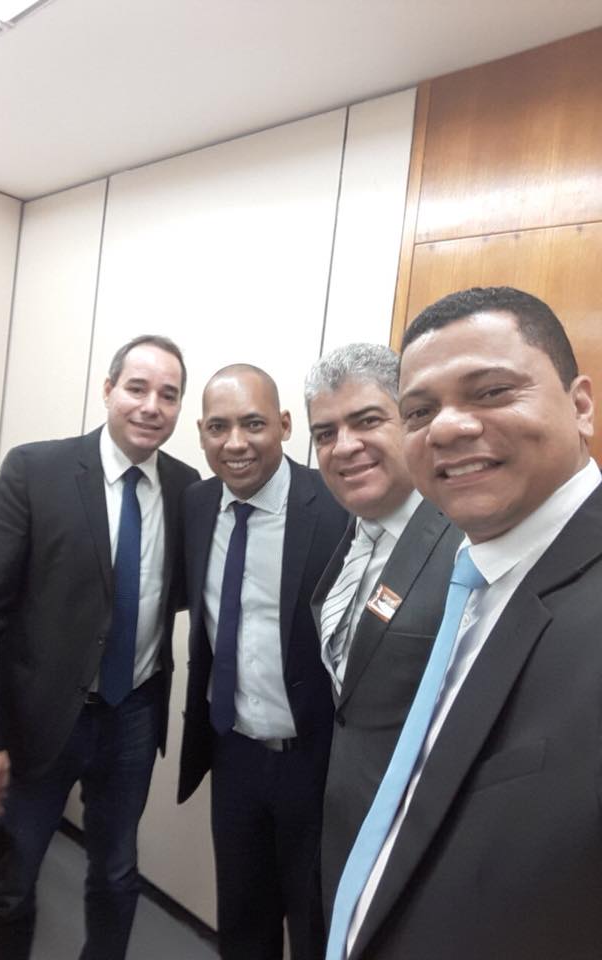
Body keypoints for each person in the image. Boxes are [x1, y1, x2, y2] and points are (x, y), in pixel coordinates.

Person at [333, 286, 601, 960]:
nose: (447, 428)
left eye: (491, 392)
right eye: (420, 411)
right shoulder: (479, 573)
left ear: (581, 406)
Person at [0, 335, 200, 960]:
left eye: (168, 395)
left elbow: (171, 593)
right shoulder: (36, 471)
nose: (151, 406)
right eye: (137, 388)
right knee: (12, 882)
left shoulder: (186, 487)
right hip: (42, 718)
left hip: (133, 714)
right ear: (108, 390)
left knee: (116, 875)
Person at [177, 364, 347, 960]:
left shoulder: (336, 505)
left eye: (253, 424)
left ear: (285, 425)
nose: (235, 443)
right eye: (218, 427)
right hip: (234, 755)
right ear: (201, 433)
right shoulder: (197, 504)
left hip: (316, 762)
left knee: (316, 926)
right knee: (243, 923)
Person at [304, 344, 460, 923]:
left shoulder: (462, 542)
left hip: (421, 850)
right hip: (350, 823)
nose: (344, 446)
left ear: (411, 421)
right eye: (325, 433)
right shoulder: (354, 531)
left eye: (367, 420)